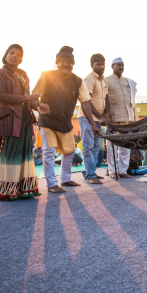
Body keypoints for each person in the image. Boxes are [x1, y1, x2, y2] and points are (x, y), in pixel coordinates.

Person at [32, 46, 99, 193]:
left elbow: (85, 103)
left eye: (69, 61)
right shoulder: (46, 76)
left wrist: (93, 124)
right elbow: (33, 97)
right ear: (57, 63)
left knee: (69, 152)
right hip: (47, 122)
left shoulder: (78, 81)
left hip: (65, 123)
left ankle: (66, 179)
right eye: (62, 61)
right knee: (49, 152)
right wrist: (38, 105)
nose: (65, 64)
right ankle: (51, 184)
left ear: (73, 64)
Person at [0, 44, 47, 201]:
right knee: (10, 152)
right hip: (9, 119)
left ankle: (25, 189)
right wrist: (26, 99)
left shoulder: (23, 74)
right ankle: (8, 191)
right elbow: (0, 95)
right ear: (6, 55)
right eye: (11, 53)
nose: (14, 56)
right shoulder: (0, 73)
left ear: (22, 59)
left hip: (24, 118)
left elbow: (28, 98)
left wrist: (39, 105)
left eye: (18, 54)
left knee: (24, 153)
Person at [78, 53, 110, 184]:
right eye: (98, 64)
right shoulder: (89, 79)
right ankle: (90, 175)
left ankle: (91, 172)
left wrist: (107, 113)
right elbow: (86, 101)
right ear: (92, 65)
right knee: (89, 146)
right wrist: (99, 116)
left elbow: (106, 98)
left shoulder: (104, 80)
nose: (101, 67)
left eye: (103, 64)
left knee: (97, 146)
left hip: (98, 118)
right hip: (87, 117)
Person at [106, 57, 138, 179]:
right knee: (112, 146)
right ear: (112, 66)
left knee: (126, 146)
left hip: (127, 117)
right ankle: (113, 171)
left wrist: (134, 118)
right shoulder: (106, 80)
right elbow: (105, 98)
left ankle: (123, 170)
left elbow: (132, 101)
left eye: (122, 65)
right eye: (118, 65)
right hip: (113, 118)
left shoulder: (128, 81)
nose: (121, 67)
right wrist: (106, 113)